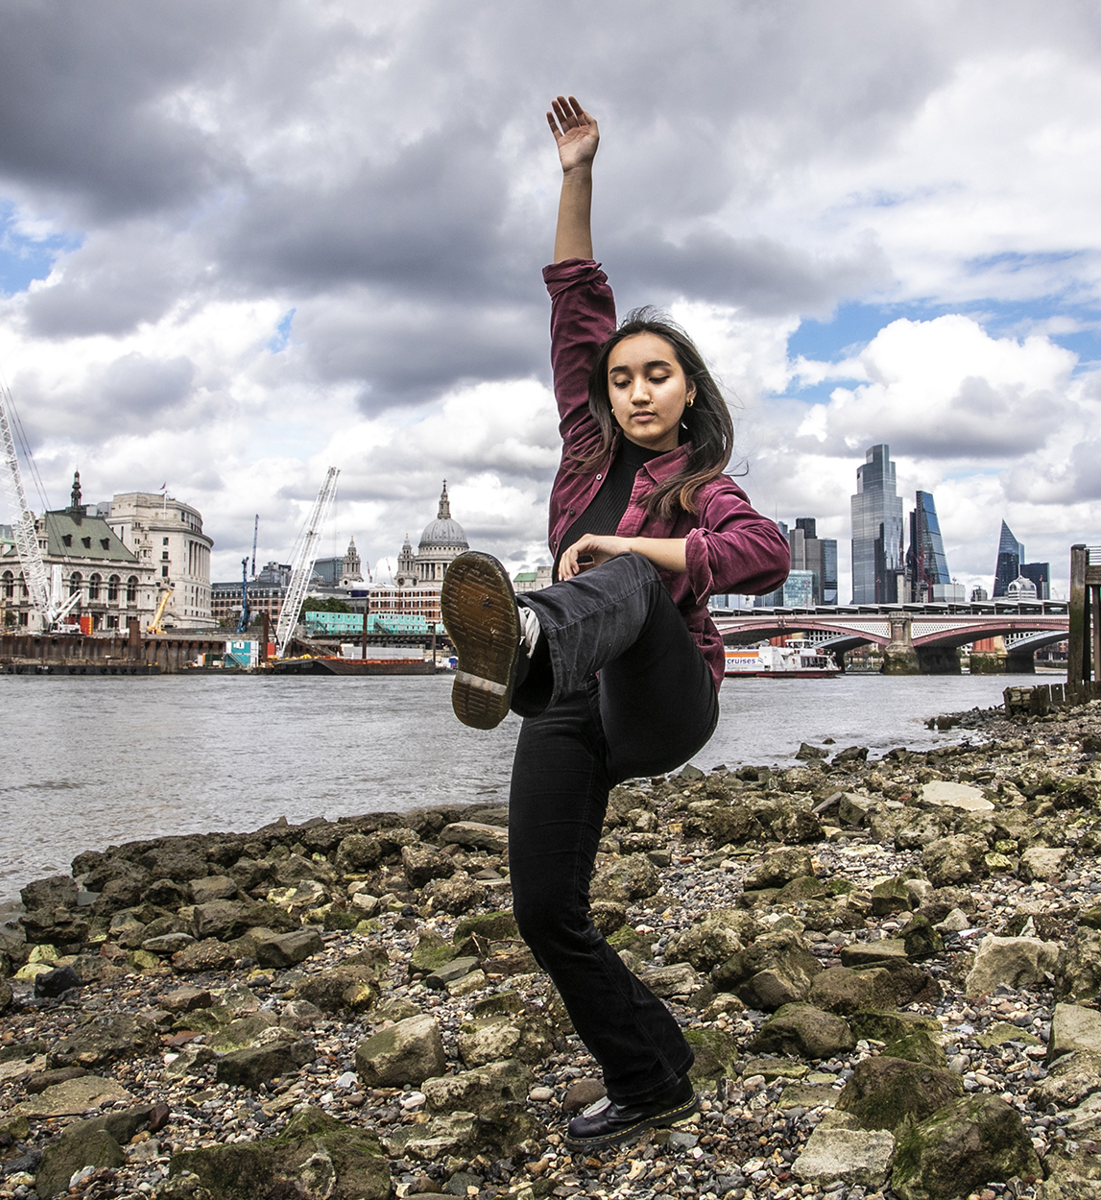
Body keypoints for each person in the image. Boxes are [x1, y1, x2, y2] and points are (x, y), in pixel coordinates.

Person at [439, 95, 791, 1153]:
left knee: (631, 579)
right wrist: (577, 173)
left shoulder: (702, 482)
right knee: (546, 911)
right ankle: (652, 1074)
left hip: (661, 698)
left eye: (658, 376)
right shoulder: (586, 451)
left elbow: (764, 556)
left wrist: (639, 547)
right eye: (623, 377)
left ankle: (529, 638)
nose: (637, 390)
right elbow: (576, 299)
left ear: (688, 393)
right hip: (565, 705)